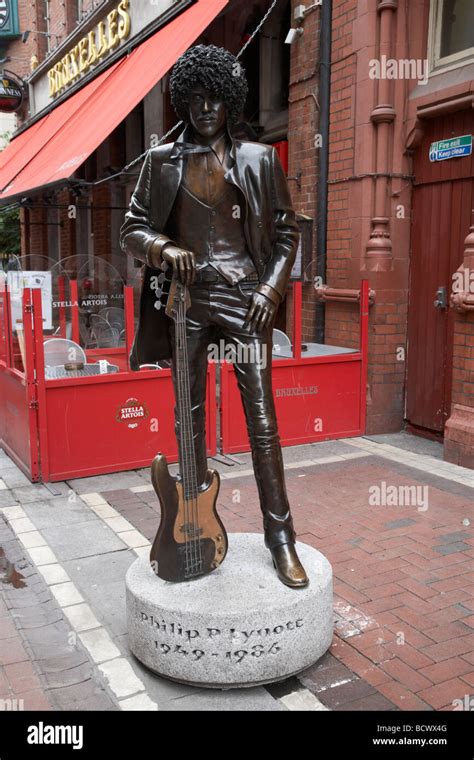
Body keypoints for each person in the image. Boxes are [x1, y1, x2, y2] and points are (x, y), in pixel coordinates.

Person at [120, 45, 308, 588]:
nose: (205, 109)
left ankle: (281, 539)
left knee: (263, 420)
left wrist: (272, 289)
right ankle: (196, 528)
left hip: (247, 298)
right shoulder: (160, 163)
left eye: (214, 99)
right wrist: (160, 249)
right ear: (183, 102)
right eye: (195, 99)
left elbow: (287, 231)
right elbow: (131, 229)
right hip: (188, 302)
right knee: (189, 419)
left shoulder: (258, 159)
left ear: (230, 100)